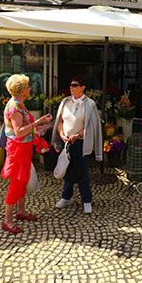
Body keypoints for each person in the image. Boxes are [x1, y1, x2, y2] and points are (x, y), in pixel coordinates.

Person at [0, 74, 53, 234]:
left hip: (23, 149)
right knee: (16, 182)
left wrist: (37, 131)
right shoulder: (15, 107)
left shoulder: (19, 104)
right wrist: (38, 122)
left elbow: (25, 128)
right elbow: (20, 132)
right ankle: (7, 221)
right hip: (17, 150)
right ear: (22, 90)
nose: (30, 89)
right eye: (28, 87)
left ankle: (21, 211)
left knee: (22, 180)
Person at [51, 76, 103, 214]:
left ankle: (87, 200)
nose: (72, 87)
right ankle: (66, 197)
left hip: (81, 142)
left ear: (82, 87)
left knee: (82, 171)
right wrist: (62, 135)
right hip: (66, 141)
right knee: (67, 170)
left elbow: (91, 126)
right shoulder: (65, 102)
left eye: (75, 85)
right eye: (71, 85)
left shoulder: (90, 104)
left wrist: (78, 135)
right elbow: (60, 120)